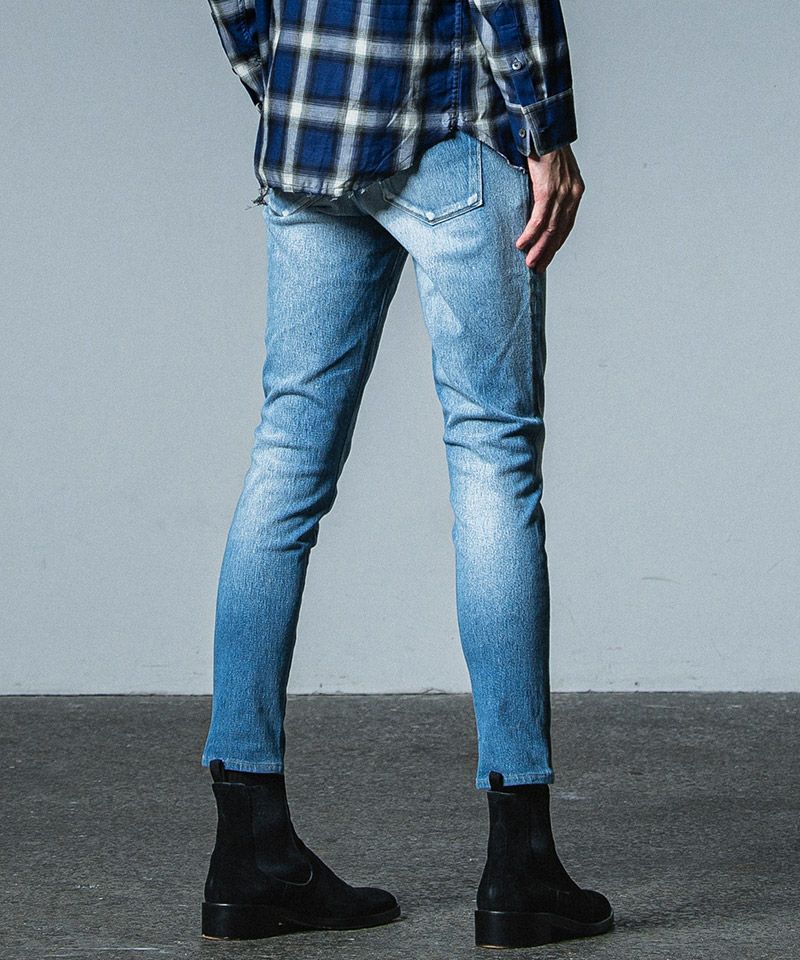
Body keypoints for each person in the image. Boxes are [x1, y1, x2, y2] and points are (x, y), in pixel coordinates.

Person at [198, 0, 614, 949]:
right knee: (493, 459)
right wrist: (546, 129)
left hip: (311, 136)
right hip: (449, 132)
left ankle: (248, 851)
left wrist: (288, 81)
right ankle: (519, 865)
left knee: (285, 462)